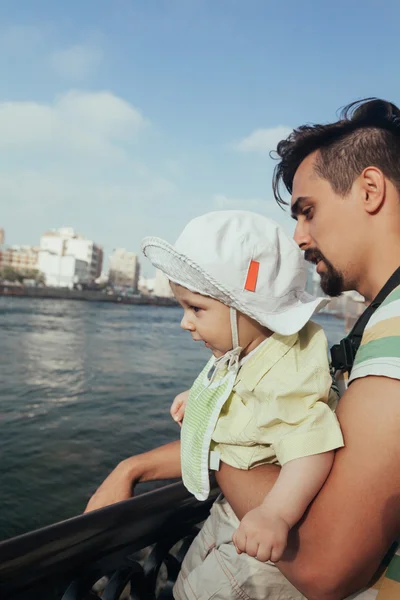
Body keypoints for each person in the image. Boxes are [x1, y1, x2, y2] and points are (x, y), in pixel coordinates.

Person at [86, 97, 400, 600]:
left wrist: (218, 433)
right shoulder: (375, 326)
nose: (298, 236)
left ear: (369, 189)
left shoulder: (395, 336)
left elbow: (324, 568)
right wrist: (137, 466)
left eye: (307, 211)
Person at [140, 210, 343, 599]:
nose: (185, 322)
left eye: (196, 309)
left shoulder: (290, 370)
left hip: (258, 542)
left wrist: (276, 513)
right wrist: (199, 399)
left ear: (248, 309)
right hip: (229, 514)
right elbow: (240, 394)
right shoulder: (245, 350)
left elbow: (310, 446)